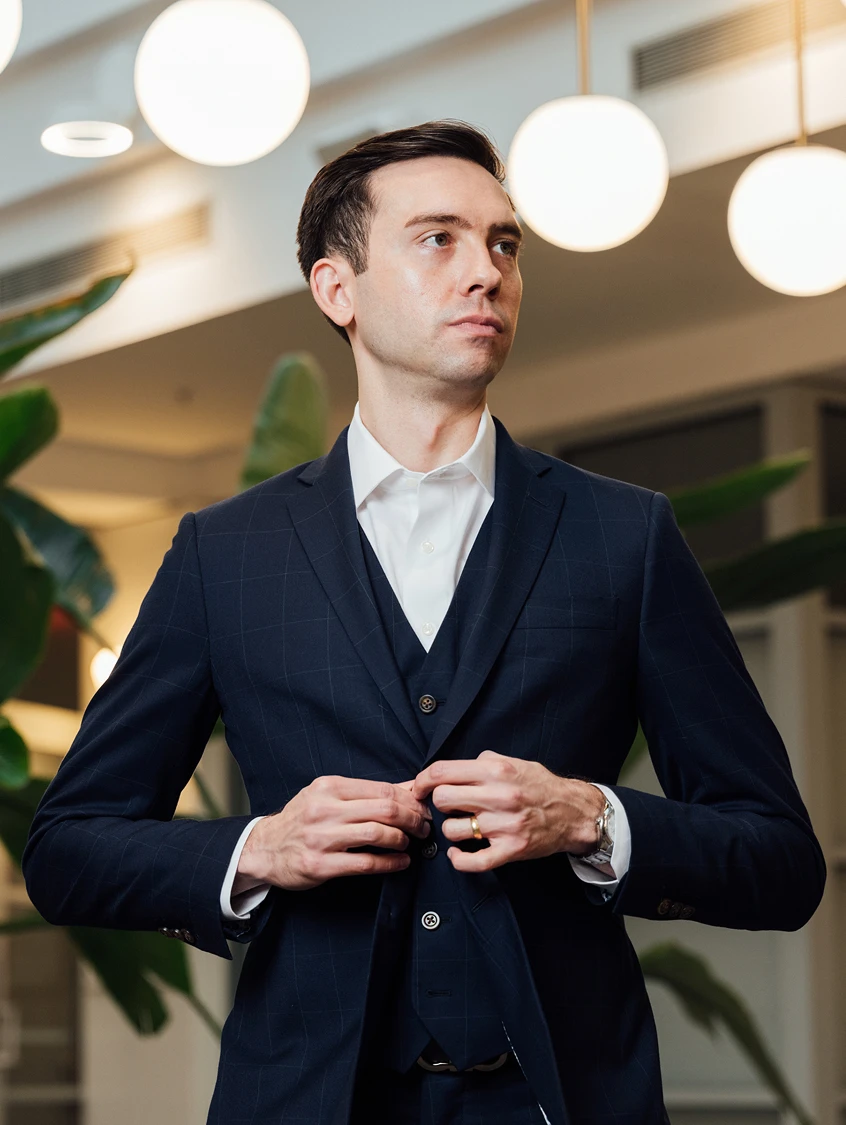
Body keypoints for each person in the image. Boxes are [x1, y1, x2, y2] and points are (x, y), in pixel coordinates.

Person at [22, 120, 825, 1125]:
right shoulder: (224, 555)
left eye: (504, 243)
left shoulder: (627, 538)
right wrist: (259, 849)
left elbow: (780, 864)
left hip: (565, 1100)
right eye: (438, 239)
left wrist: (587, 818)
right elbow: (67, 849)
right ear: (337, 291)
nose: (485, 272)